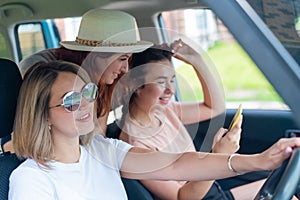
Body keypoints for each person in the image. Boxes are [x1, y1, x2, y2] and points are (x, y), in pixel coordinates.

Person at [8, 60, 300, 199]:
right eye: (70, 101)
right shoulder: (31, 180)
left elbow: (176, 165)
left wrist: (259, 160)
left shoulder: (102, 150)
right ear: (42, 115)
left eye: (86, 92)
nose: (85, 104)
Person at [116, 42, 276, 199]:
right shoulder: (135, 144)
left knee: (282, 179)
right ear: (135, 86)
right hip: (200, 194)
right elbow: (182, 196)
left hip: (212, 182)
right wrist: (220, 154)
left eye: (172, 80)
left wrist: (197, 61)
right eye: (160, 82)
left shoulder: (167, 111)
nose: (171, 90)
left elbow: (215, 107)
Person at [18, 8, 153, 133]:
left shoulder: (103, 81)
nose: (125, 69)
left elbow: (99, 136)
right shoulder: (47, 75)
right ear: (96, 55)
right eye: (122, 59)